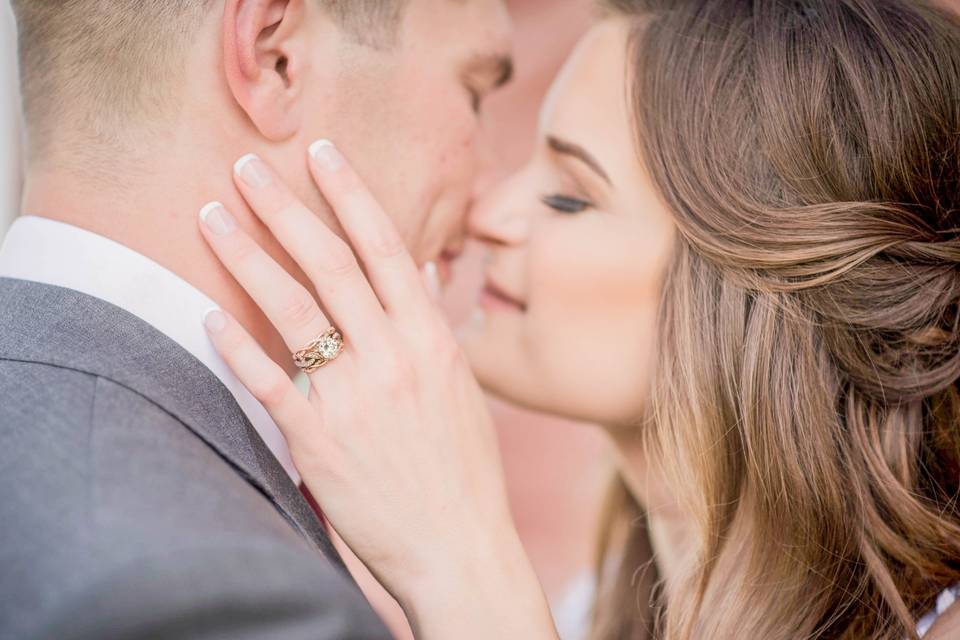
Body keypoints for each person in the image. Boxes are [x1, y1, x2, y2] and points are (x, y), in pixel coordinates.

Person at [200, 0, 960, 638]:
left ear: (751, 285)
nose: (492, 214)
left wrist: (461, 564)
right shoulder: (597, 609)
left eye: (570, 196)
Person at [0, 1, 513, 638]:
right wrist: (469, 567)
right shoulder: (217, 595)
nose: (492, 192)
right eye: (475, 93)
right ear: (275, 58)